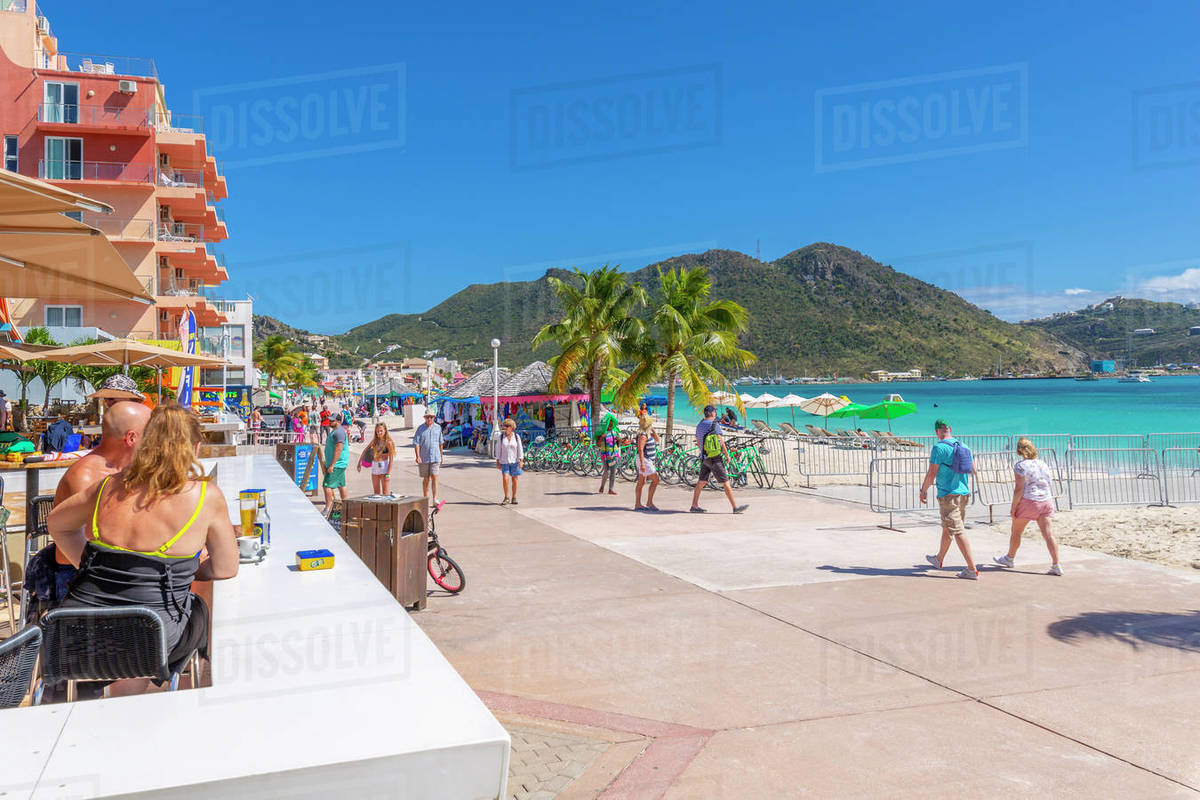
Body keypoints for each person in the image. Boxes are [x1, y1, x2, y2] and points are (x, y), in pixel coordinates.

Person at [46, 404, 239, 694]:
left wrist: (88, 565)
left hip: (76, 630)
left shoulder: (107, 487)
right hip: (149, 638)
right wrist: (188, 569)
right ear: (195, 448)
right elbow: (226, 568)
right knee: (195, 609)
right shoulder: (205, 497)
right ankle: (185, 693)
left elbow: (57, 523)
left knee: (131, 632)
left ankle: (116, 698)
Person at [994, 437, 1063, 576]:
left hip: (1029, 500)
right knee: (1048, 534)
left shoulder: (1020, 466)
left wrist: (1014, 507)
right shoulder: (1043, 463)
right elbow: (1049, 482)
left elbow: (1019, 488)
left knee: (1016, 532)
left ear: (1019, 450)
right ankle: (1056, 564)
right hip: (1046, 500)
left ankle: (1010, 558)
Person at [920, 419, 979, 579]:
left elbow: (931, 473)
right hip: (963, 493)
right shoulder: (963, 445)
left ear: (937, 431)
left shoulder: (939, 448)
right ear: (950, 429)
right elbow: (973, 470)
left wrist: (923, 490)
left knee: (957, 531)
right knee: (949, 527)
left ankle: (972, 569)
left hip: (948, 494)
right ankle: (938, 559)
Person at [690, 405, 749, 514]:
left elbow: (698, 442)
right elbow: (721, 442)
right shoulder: (714, 424)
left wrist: (705, 451)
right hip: (715, 458)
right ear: (712, 413)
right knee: (726, 483)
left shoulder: (699, 425)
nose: (716, 413)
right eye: (715, 412)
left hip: (704, 457)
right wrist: (727, 455)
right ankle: (735, 507)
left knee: (701, 482)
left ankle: (694, 505)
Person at [413, 409, 445, 512]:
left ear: (434, 417)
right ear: (424, 418)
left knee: (435, 476)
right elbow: (416, 443)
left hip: (435, 457)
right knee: (426, 478)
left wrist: (441, 456)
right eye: (427, 417)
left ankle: (435, 498)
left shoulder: (438, 428)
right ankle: (425, 498)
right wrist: (418, 456)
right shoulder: (420, 429)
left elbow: (441, 443)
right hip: (424, 457)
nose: (429, 419)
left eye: (431, 417)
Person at [322, 413, 350, 516]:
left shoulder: (339, 432)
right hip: (338, 464)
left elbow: (339, 449)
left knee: (327, 485)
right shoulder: (336, 431)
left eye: (332, 421)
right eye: (329, 420)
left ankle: (328, 508)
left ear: (338, 421)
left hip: (337, 464)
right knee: (341, 484)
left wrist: (332, 465)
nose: (330, 422)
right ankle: (346, 505)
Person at [358, 422, 396, 495]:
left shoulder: (388, 442)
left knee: (385, 492)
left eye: (381, 431)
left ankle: (386, 506)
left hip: (384, 467)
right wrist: (359, 463)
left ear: (385, 430)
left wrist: (388, 474)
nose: (379, 433)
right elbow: (365, 450)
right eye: (377, 431)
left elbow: (391, 460)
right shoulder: (375, 441)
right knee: (376, 493)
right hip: (375, 467)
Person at [634, 414, 660, 511]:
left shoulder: (648, 433)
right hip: (644, 460)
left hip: (647, 460)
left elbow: (658, 440)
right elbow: (640, 450)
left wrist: (653, 430)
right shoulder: (643, 435)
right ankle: (649, 502)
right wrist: (643, 464)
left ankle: (638, 504)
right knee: (655, 480)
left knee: (641, 482)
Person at [496, 418, 524, 505]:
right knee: (505, 479)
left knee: (515, 480)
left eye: (507, 426)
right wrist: (497, 461)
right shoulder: (501, 437)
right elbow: (498, 449)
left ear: (512, 427)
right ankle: (506, 497)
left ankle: (514, 497)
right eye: (505, 426)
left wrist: (521, 460)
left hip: (514, 461)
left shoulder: (516, 437)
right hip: (504, 461)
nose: (505, 428)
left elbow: (520, 449)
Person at [595, 409, 620, 496]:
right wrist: (602, 437)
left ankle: (611, 489)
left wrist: (618, 439)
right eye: (609, 423)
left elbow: (618, 444)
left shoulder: (615, 432)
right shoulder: (602, 433)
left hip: (614, 454)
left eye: (611, 423)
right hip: (605, 455)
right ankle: (602, 486)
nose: (610, 425)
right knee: (607, 471)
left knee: (613, 471)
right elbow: (598, 444)